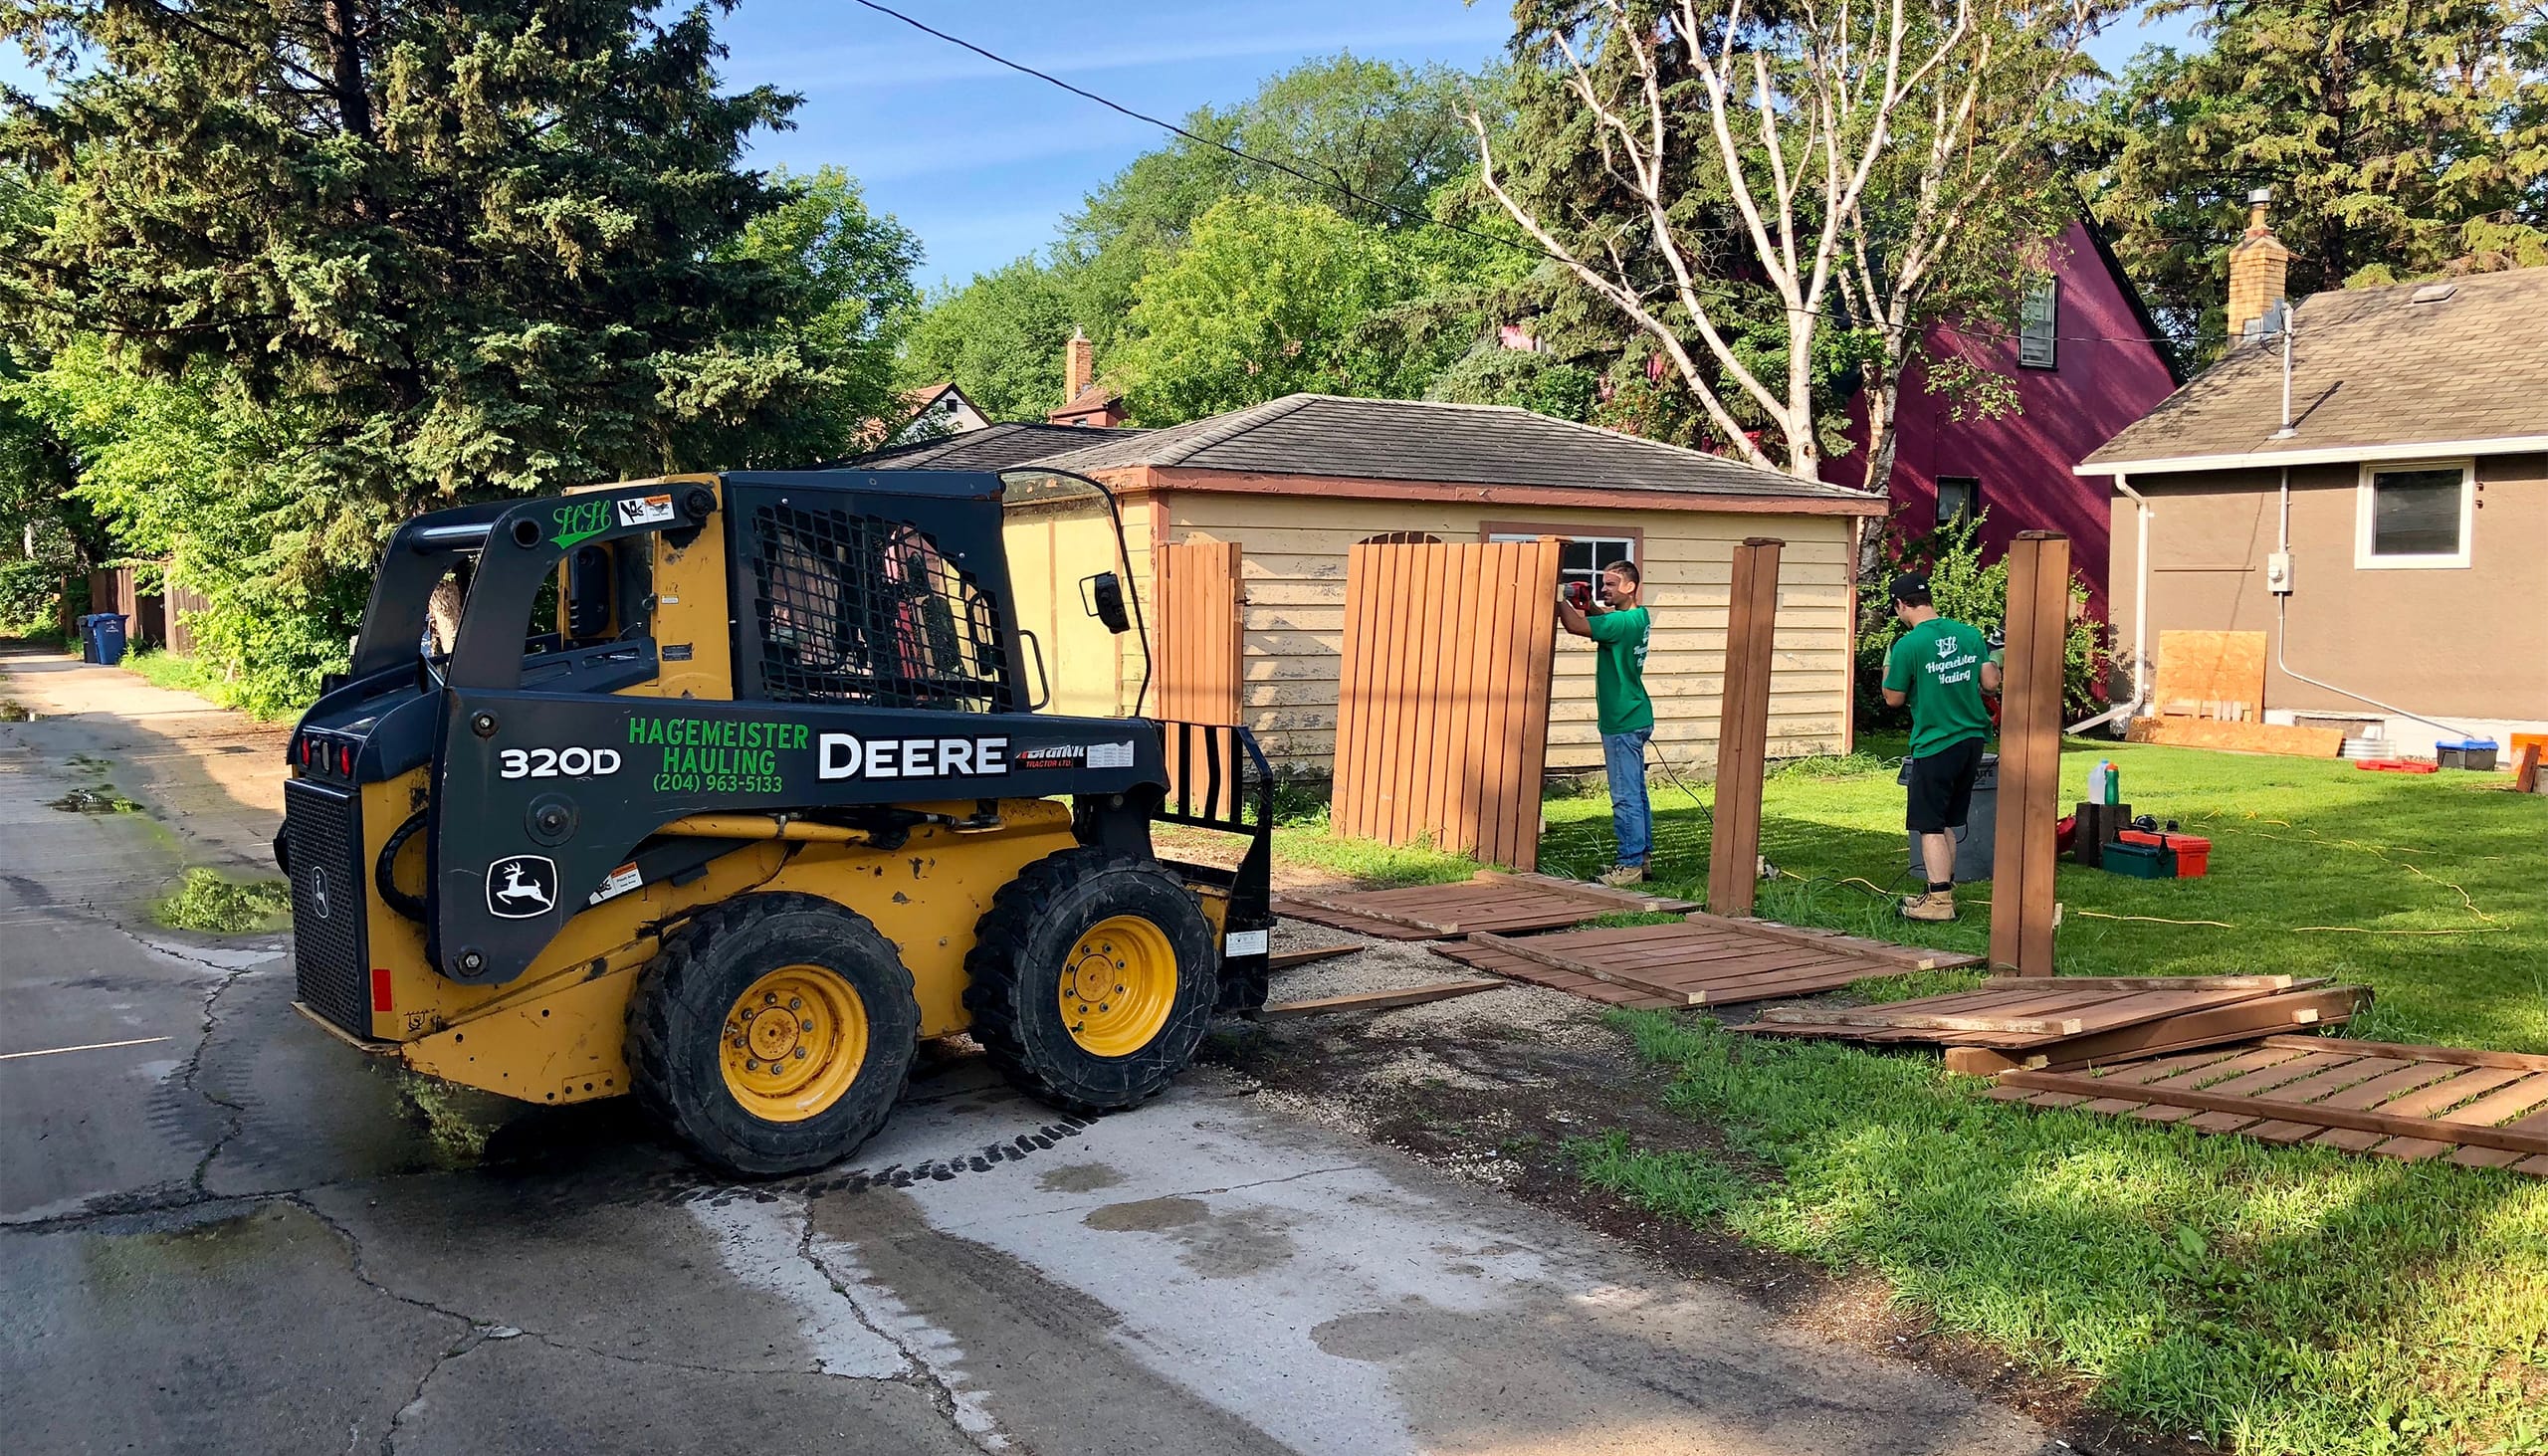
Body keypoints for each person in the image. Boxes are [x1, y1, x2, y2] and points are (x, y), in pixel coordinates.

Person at [1881, 574, 2001, 921]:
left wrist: (1888, 668)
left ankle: (1939, 904)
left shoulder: (1907, 645)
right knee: (1946, 819)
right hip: (1972, 741)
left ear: (1900, 605)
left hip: (1936, 742)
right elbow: (1990, 684)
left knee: (1928, 824)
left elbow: (1893, 698)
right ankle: (1942, 889)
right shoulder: (1969, 634)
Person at [1557, 560, 1652, 887]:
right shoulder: (1638, 617)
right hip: (1636, 714)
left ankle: (1628, 867)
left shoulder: (1622, 623)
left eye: (1611, 585)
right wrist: (1591, 607)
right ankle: (1643, 858)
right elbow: (1606, 622)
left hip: (1622, 721)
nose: (1604, 589)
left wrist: (1556, 597)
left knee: (1624, 795)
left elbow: (1575, 627)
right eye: (1603, 584)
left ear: (1630, 587)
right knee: (1637, 793)